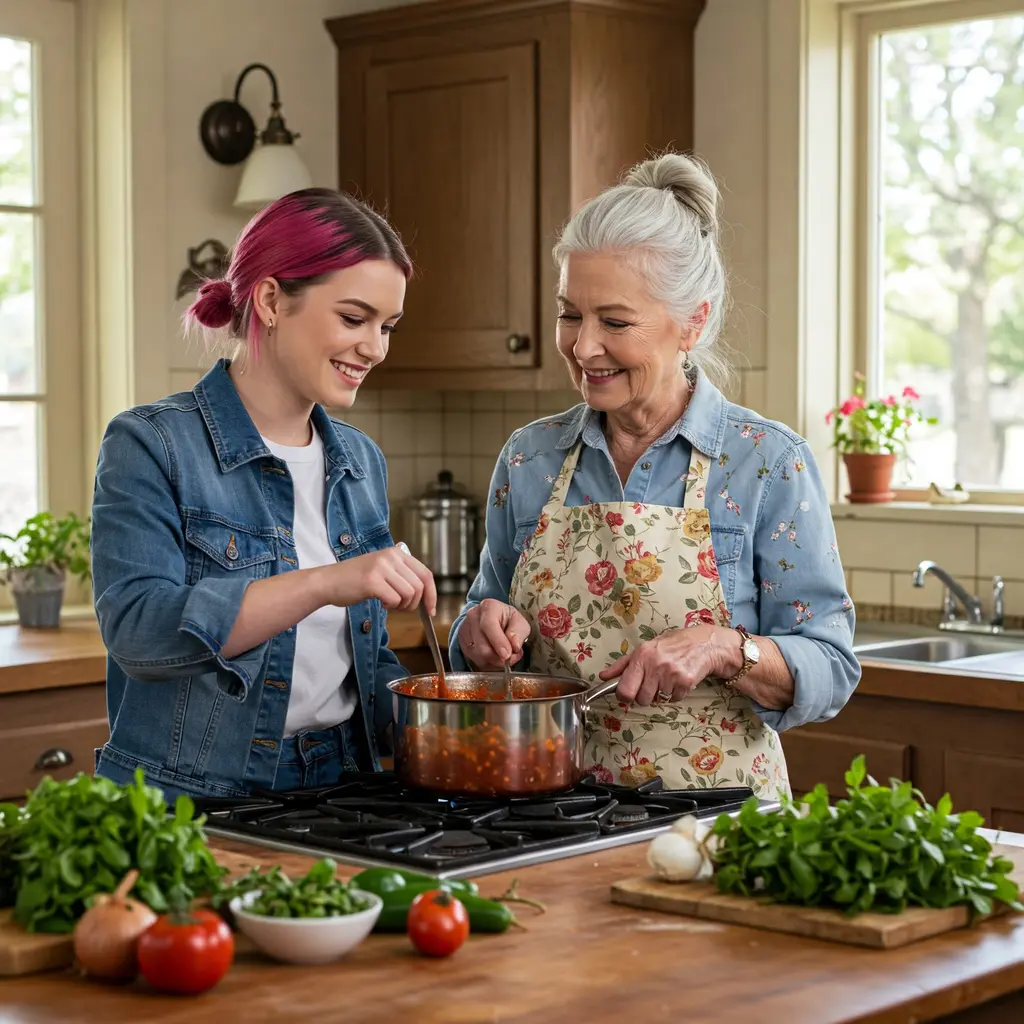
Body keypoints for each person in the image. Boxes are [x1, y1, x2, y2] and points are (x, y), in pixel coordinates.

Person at [449, 154, 860, 799]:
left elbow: (830, 666)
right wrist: (478, 632)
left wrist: (727, 649)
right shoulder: (530, 459)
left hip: (721, 819)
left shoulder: (766, 462)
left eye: (614, 322)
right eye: (569, 314)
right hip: (554, 811)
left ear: (692, 322)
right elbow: (486, 627)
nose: (583, 346)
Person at [91, 188, 436, 800]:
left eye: (387, 327)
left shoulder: (360, 461)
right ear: (271, 300)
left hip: (343, 786)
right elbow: (140, 633)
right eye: (354, 319)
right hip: (195, 798)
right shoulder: (152, 443)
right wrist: (325, 582)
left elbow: (361, 659)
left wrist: (456, 714)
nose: (376, 348)